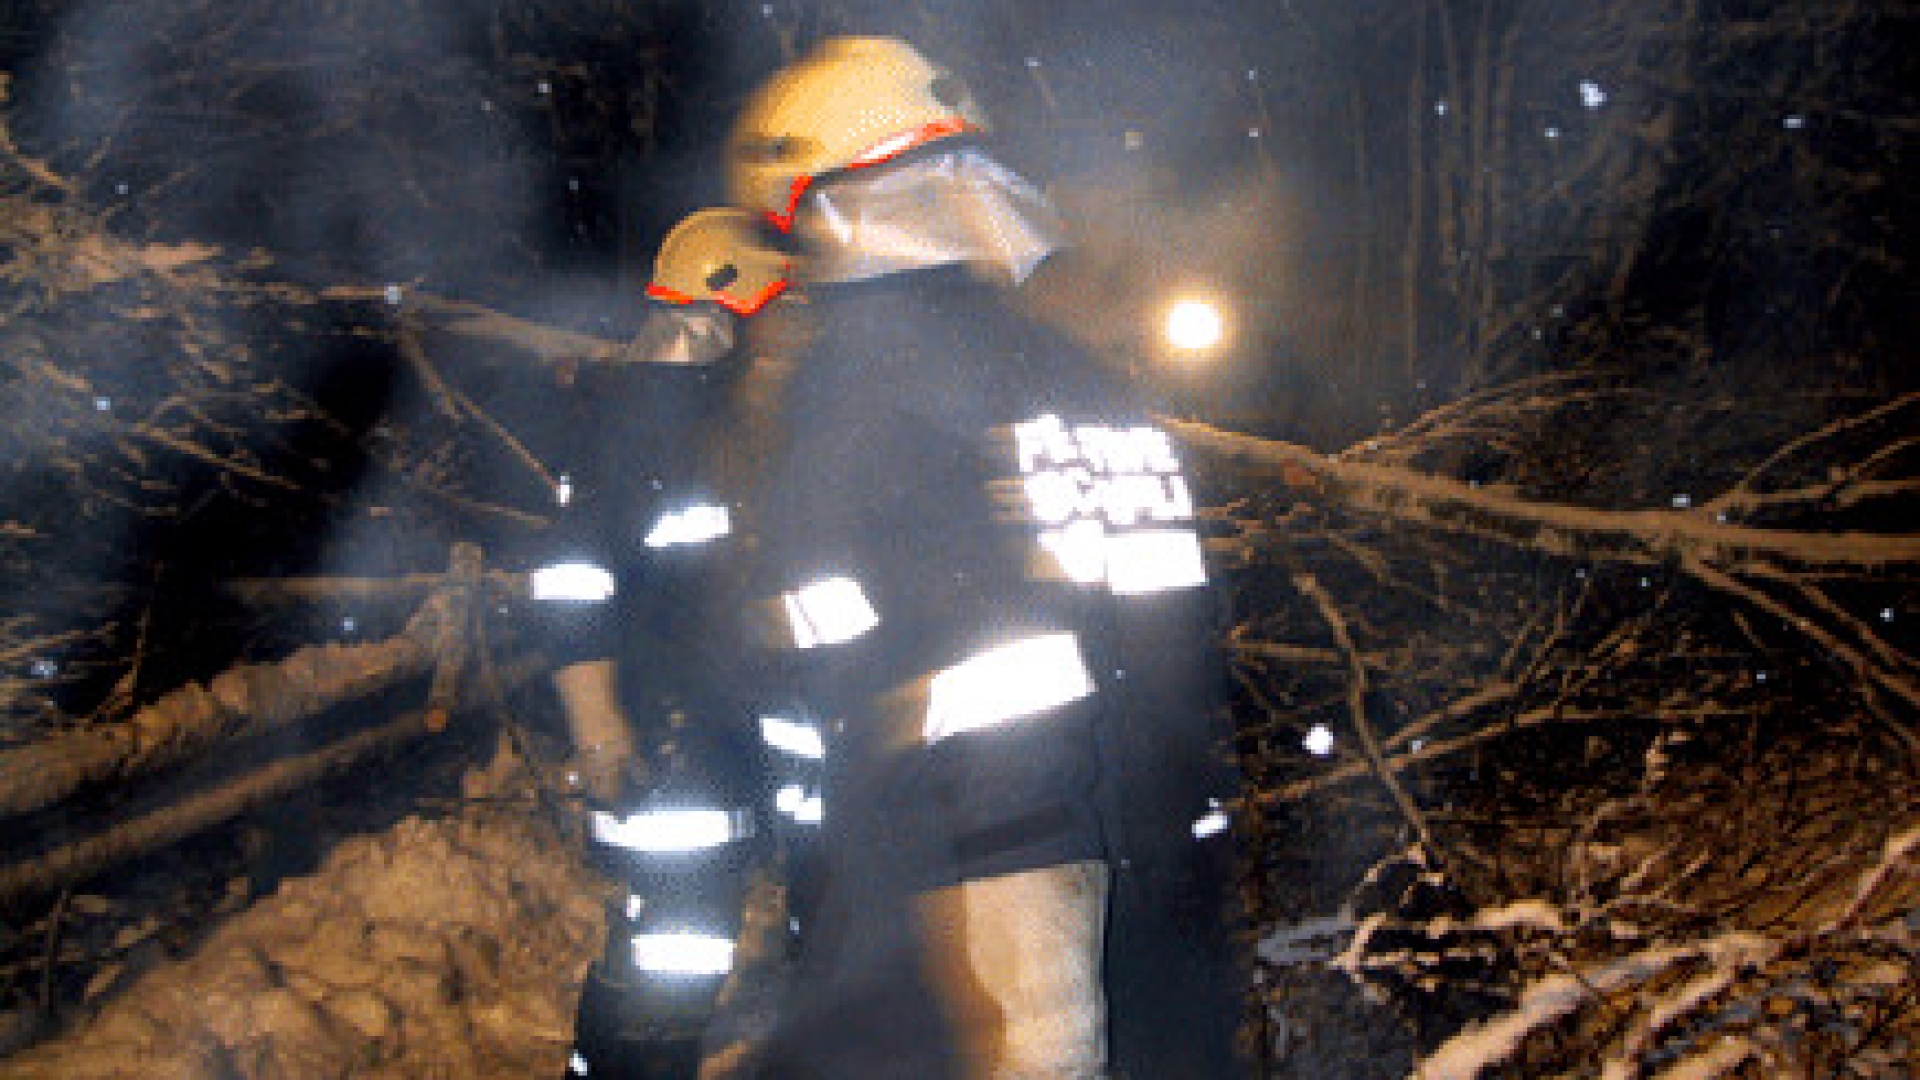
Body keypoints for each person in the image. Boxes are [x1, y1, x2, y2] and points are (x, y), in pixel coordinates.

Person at [720, 37, 1246, 1079]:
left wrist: (1028, 984)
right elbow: (1182, 639)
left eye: (793, 220)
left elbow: (930, 673)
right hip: (1157, 871)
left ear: (834, 204)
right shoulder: (1079, 379)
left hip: (969, 897)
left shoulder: (862, 388)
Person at [526, 208, 796, 1078]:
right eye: (773, 315)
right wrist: (598, 719)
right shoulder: (643, 421)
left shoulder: (720, 421)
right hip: (667, 738)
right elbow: (572, 575)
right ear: (727, 313)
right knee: (669, 960)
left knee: (674, 948)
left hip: (710, 729)